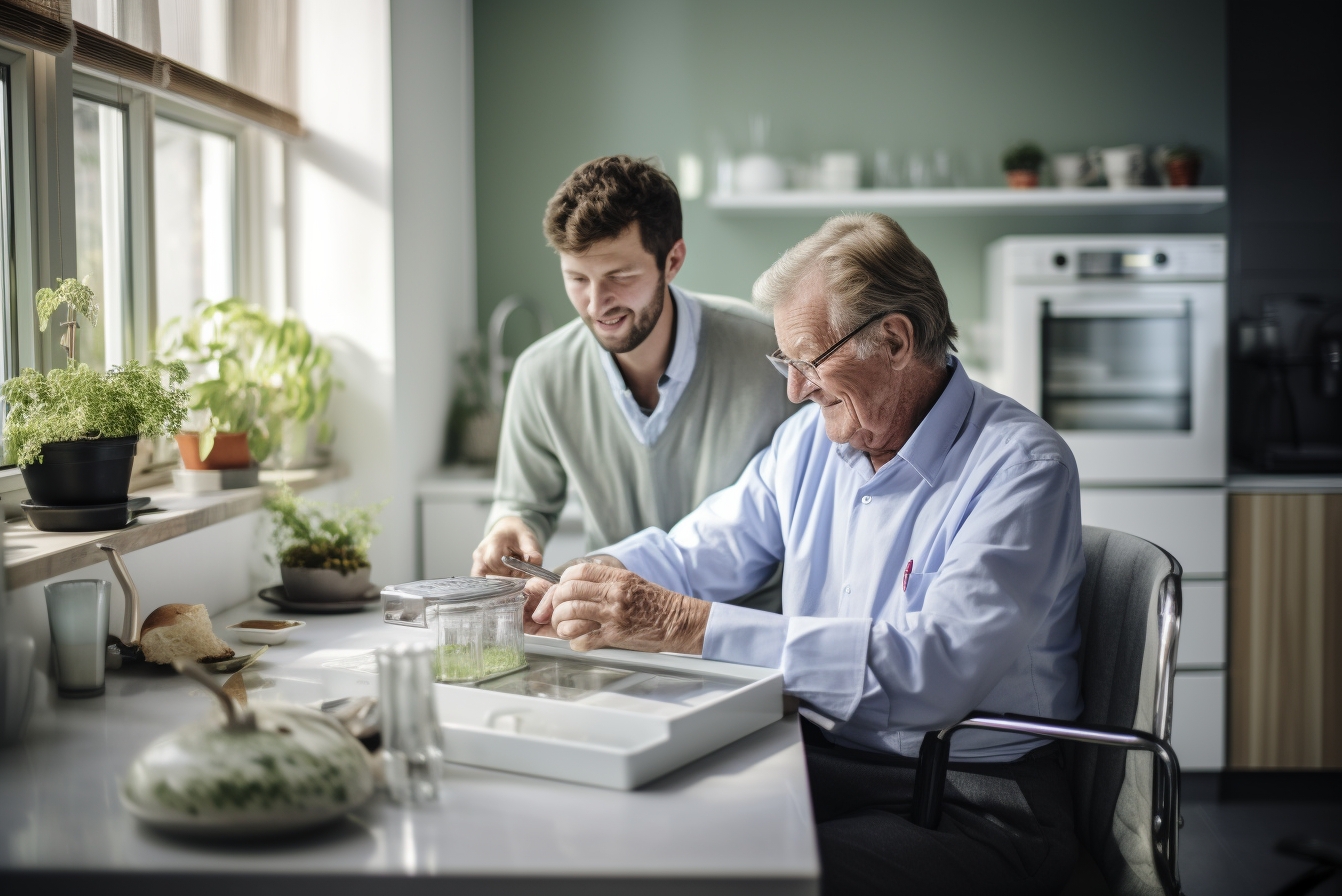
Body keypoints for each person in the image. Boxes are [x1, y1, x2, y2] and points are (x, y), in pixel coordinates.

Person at [527, 213, 1085, 895]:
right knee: (627, 833)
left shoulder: (1020, 467)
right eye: (784, 363)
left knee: (733, 878)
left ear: (896, 339)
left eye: (808, 362)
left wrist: (684, 626)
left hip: (975, 803)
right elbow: (698, 552)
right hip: (817, 759)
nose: (794, 388)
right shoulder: (808, 445)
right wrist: (582, 582)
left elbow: (934, 670)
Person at [472, 156, 796, 611]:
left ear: (673, 260)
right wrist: (508, 525)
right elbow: (524, 505)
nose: (597, 303)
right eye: (576, 278)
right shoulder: (540, 374)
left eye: (620, 277)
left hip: (743, 634)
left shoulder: (774, 355)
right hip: (610, 626)